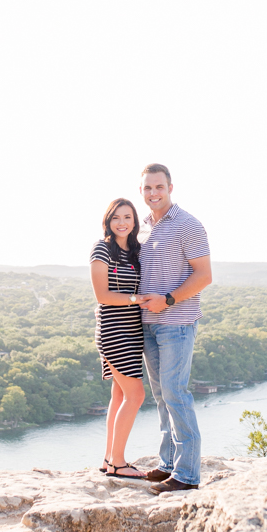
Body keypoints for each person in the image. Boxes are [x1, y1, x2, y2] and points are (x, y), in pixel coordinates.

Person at [137, 163, 212, 493]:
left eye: (159, 187)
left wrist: (168, 300)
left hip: (177, 323)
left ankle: (187, 474)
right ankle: (168, 463)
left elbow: (204, 276)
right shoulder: (143, 228)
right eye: (147, 188)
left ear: (170, 187)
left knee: (176, 394)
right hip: (148, 325)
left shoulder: (188, 224)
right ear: (142, 191)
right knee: (161, 396)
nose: (153, 193)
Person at [89, 198, 149, 479]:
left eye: (127, 217)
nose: (122, 222)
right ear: (108, 222)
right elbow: (102, 296)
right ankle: (119, 463)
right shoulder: (102, 249)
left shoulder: (136, 252)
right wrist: (137, 299)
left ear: (134, 221)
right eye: (116, 218)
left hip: (133, 329)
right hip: (114, 330)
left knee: (120, 394)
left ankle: (108, 458)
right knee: (136, 395)